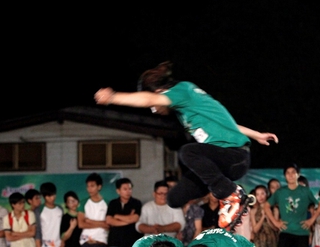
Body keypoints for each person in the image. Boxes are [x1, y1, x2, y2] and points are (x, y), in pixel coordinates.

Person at [94, 61, 278, 230]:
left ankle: (230, 195)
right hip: (221, 163)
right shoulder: (187, 110)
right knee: (174, 199)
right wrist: (257, 135)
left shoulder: (183, 91)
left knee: (188, 152)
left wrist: (113, 97)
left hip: (234, 157)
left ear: (159, 92)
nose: (154, 110)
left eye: (154, 105)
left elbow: (148, 100)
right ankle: (227, 196)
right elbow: (229, 125)